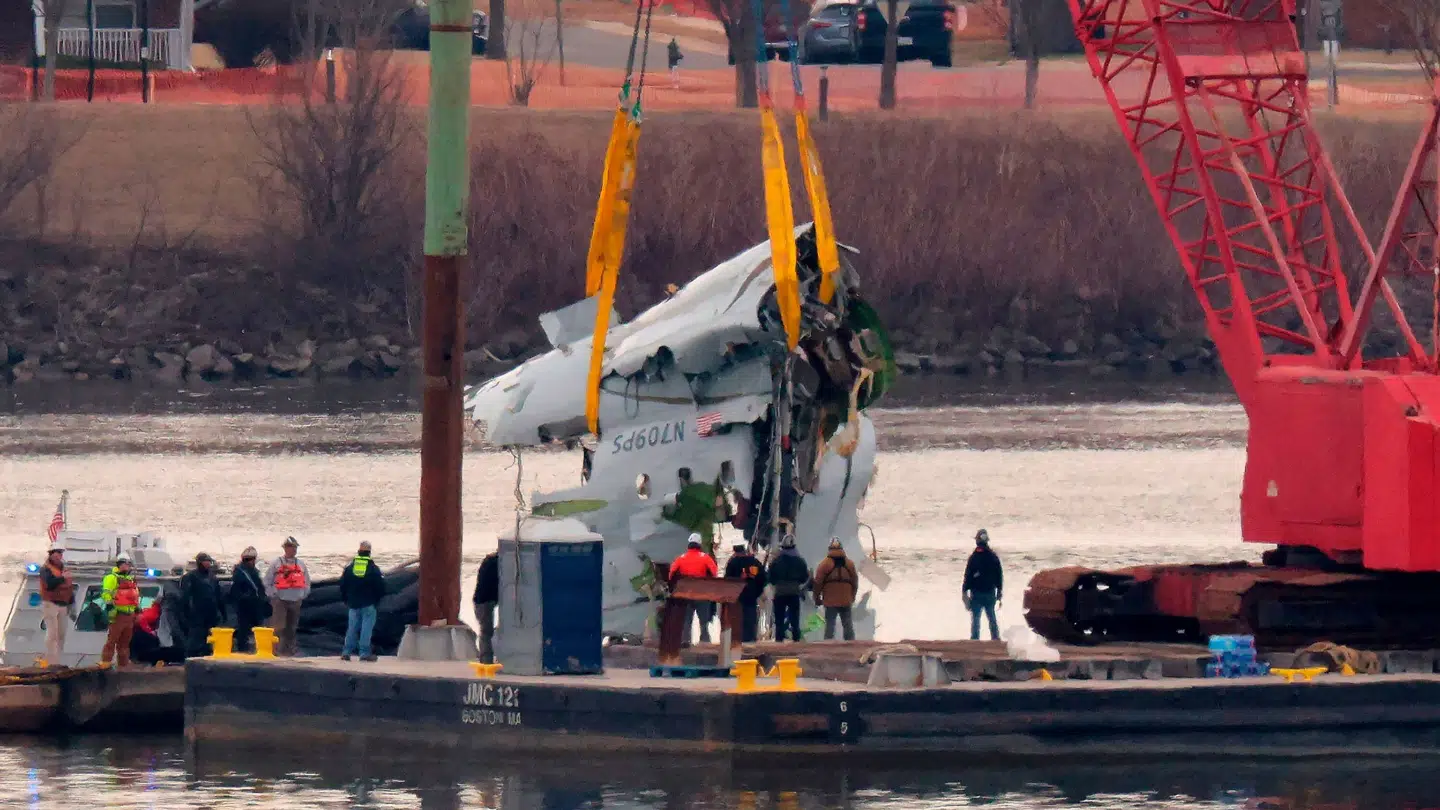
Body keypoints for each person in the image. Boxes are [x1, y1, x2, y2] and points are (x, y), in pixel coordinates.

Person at [340, 541, 386, 662]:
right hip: (368, 603)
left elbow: (343, 585)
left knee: (352, 628)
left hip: (353, 603)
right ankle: (364, 653)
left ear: (359, 552)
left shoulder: (350, 568)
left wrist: (346, 599)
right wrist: (377, 600)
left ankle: (346, 652)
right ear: (369, 553)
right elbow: (380, 586)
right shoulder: (372, 568)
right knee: (366, 628)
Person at [668, 534, 718, 644]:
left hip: (686, 594)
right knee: (704, 621)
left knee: (686, 620)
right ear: (699, 544)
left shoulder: (681, 558)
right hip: (702, 594)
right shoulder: (705, 557)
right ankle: (705, 642)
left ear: (689, 544)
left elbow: (671, 575)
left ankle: (685, 641)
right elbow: (714, 573)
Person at [266, 537, 311, 657]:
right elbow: (267, 581)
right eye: (291, 547)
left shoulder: (301, 565)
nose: (294, 550)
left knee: (291, 628)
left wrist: (302, 595)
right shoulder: (276, 563)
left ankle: (288, 651)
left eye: (295, 547)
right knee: (278, 627)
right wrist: (273, 594)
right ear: (285, 548)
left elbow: (307, 582)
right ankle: (274, 651)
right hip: (280, 600)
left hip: (296, 601)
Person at [812, 537, 859, 641]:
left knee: (830, 626)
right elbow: (855, 582)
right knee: (847, 625)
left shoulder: (824, 564)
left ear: (829, 548)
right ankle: (851, 645)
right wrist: (852, 596)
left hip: (830, 600)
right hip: (846, 599)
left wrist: (817, 598)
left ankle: (828, 645)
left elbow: (818, 583)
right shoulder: (849, 564)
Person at [180, 552, 225, 658]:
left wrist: (222, 612)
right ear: (200, 562)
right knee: (194, 640)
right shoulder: (191, 576)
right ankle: (190, 659)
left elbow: (218, 595)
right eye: (206, 561)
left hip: (211, 614)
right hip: (197, 614)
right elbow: (185, 597)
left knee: (208, 641)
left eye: (209, 561)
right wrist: (187, 613)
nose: (208, 563)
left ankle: (206, 657)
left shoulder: (212, 577)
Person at [766, 534, 810, 642]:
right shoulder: (800, 561)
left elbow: (770, 577)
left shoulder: (776, 561)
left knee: (779, 619)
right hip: (794, 592)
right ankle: (796, 640)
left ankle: (779, 640)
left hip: (780, 592)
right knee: (795, 619)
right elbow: (804, 577)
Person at [963, 528, 1004, 641]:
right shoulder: (993, 557)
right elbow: (999, 576)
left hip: (977, 593)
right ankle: (995, 639)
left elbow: (967, 576)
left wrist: (964, 592)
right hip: (990, 592)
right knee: (991, 617)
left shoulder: (974, 557)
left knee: (976, 619)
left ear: (977, 541)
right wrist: (999, 593)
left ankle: (975, 641)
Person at [100, 554, 140, 668]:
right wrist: (110, 605)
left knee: (124, 644)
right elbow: (106, 593)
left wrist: (137, 609)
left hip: (129, 616)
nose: (127, 566)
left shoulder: (130, 579)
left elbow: (135, 596)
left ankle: (123, 667)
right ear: (119, 564)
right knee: (112, 641)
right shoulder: (111, 578)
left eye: (128, 564)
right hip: (118, 615)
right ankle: (105, 664)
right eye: (125, 564)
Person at [723, 541, 767, 643]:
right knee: (751, 617)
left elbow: (727, 580)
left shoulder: (732, 563)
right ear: (744, 550)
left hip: (737, 595)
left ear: (735, 550)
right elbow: (763, 578)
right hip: (751, 595)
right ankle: (750, 638)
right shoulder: (754, 562)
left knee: (737, 618)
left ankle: (738, 639)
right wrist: (757, 592)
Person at [38, 546, 74, 667]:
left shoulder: (63, 568)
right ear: (51, 554)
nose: (59, 555)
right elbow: (49, 584)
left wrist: (72, 603)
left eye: (61, 553)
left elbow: (69, 588)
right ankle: (50, 662)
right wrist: (62, 577)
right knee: (52, 633)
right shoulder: (46, 569)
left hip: (63, 604)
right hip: (51, 603)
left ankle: (57, 661)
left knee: (61, 634)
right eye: (57, 553)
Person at [228, 546, 268, 653]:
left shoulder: (254, 572)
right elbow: (236, 592)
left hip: (255, 605)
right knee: (243, 629)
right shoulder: (240, 573)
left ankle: (256, 649)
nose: (251, 561)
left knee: (257, 628)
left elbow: (260, 587)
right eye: (249, 559)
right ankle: (243, 649)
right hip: (244, 606)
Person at [472, 551, 499, 664]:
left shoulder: (490, 560)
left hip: (482, 600)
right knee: (486, 632)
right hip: (485, 601)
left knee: (486, 632)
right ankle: (486, 660)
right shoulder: (497, 562)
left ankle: (487, 659)